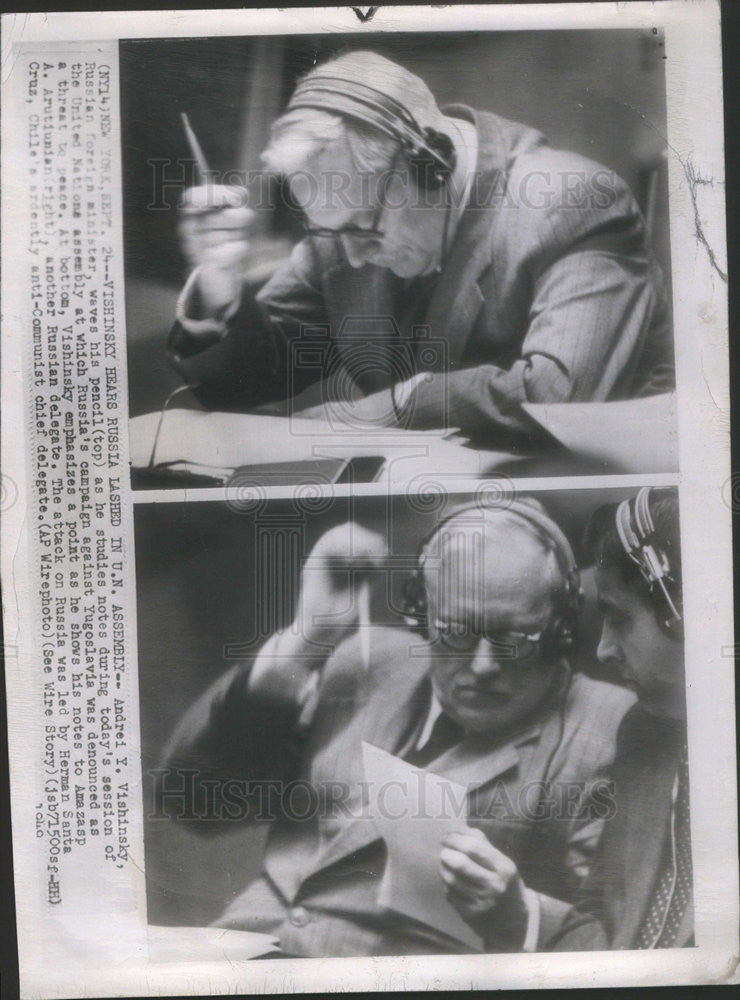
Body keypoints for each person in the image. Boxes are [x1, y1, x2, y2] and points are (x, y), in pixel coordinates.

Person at [156, 497, 635, 956]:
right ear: (422, 615)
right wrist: (307, 639)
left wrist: (519, 915)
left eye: (515, 638)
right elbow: (196, 804)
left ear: (560, 630)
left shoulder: (611, 727)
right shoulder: (365, 662)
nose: (485, 665)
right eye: (457, 632)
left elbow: (614, 941)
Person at [168, 50, 673, 447]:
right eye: (330, 232)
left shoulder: (572, 202)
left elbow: (560, 402)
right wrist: (217, 287)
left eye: (366, 227)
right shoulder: (345, 229)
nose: (355, 256)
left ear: (432, 166)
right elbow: (251, 380)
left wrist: (404, 402)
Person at [445, 487, 691, 951]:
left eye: (618, 618)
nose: (602, 650)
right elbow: (609, 930)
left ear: (689, 612)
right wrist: (520, 915)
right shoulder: (645, 735)